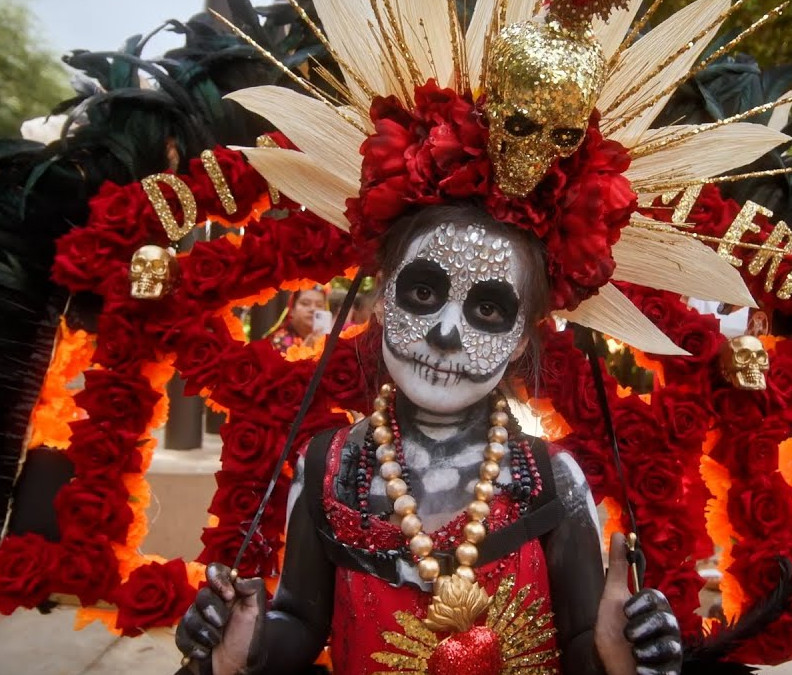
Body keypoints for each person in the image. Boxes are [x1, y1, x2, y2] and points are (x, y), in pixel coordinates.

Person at [176, 205, 682, 674]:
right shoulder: (331, 466)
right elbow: (303, 621)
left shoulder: (551, 480)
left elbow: (581, 642)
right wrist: (249, 644)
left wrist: (619, 654)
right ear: (380, 299)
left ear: (522, 339)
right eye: (423, 293)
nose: (445, 332)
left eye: (486, 309)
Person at [267, 288, 327, 353]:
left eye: (319, 305)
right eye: (305, 303)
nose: (313, 309)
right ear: (292, 309)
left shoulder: (330, 340)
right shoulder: (278, 341)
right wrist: (305, 351)